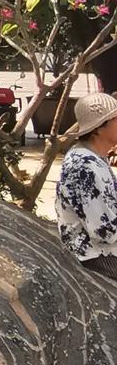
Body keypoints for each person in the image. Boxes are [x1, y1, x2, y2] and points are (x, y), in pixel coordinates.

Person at [55, 91, 117, 281]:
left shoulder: (95, 157)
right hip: (95, 255)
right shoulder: (85, 166)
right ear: (99, 128)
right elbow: (104, 232)